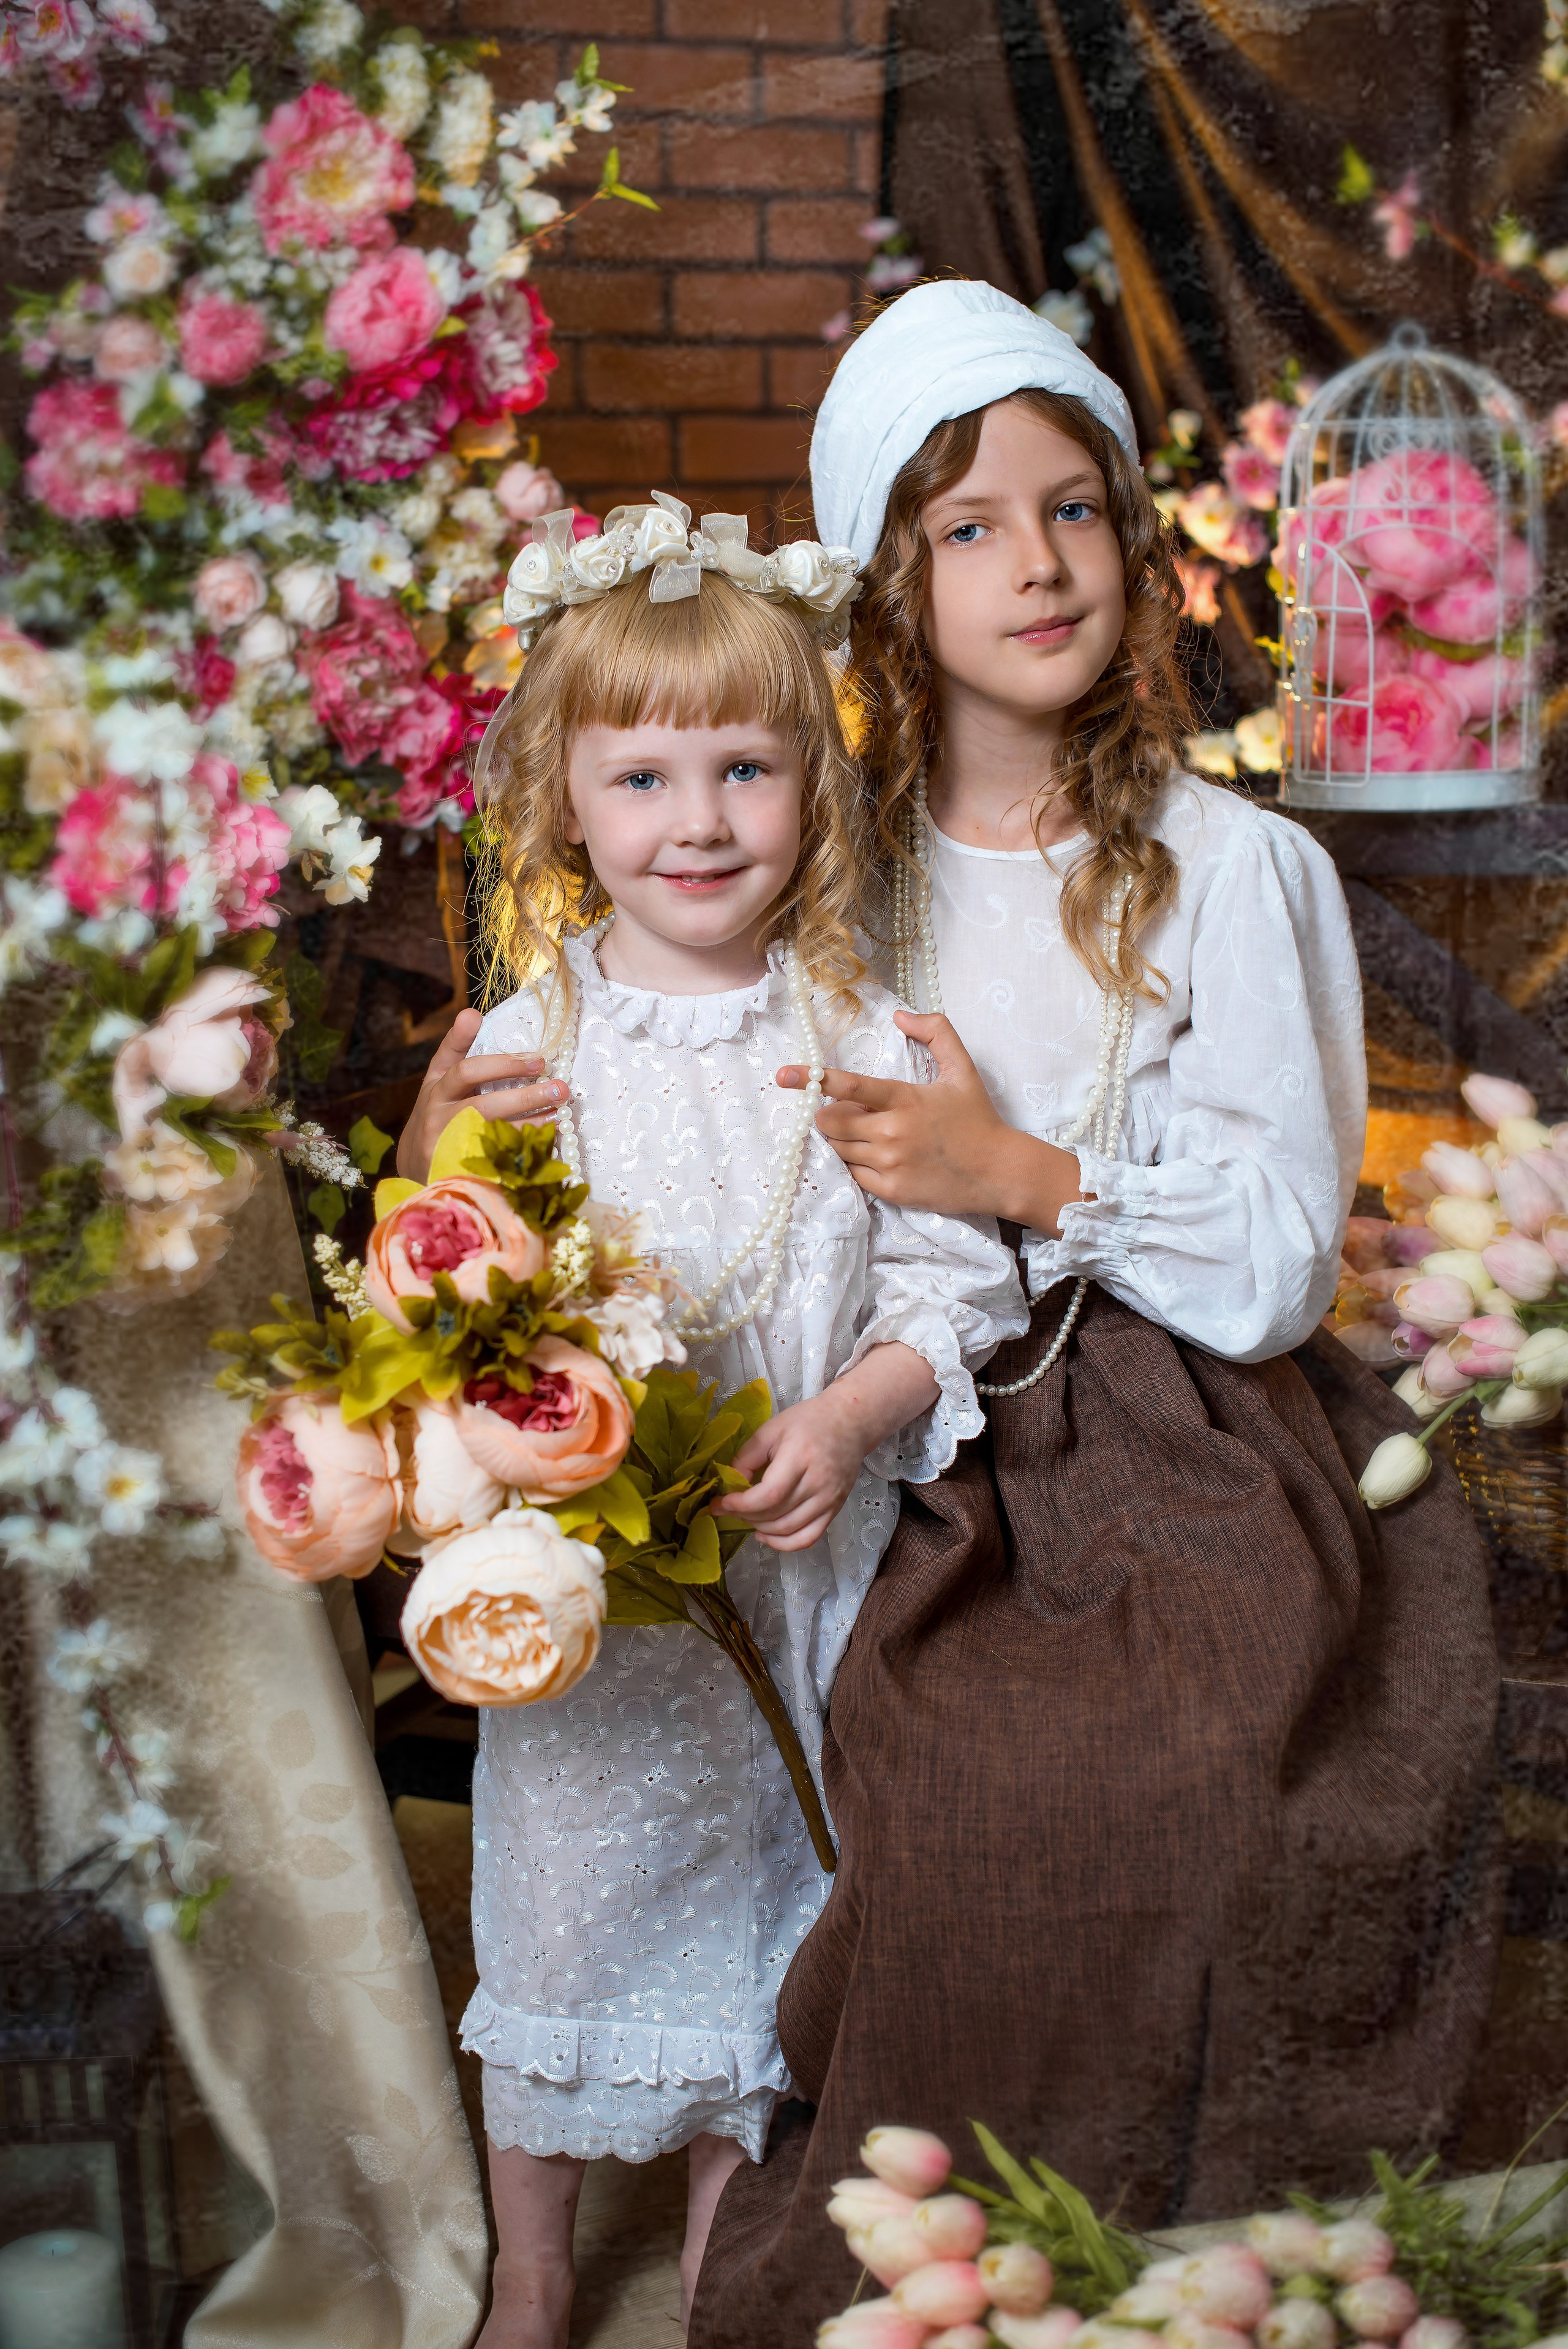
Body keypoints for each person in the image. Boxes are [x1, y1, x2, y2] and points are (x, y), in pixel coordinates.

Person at [690, 281, 1502, 2348]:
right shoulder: (829, 874)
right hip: (906, 1404)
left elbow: (1277, 1257)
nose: (1038, 563)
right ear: (892, 572)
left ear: (1134, 544)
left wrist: (1026, 1171)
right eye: (970, 525)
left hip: (1187, 1441)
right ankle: (947, 2203)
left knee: (1178, 1770)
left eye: (1076, 510)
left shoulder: (1228, 869)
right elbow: (666, 1057)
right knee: (949, 1792)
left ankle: (1147, 2232)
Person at [400, 503, 1029, 2349]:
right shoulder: (530, 1042)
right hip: (593, 1596)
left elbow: (955, 1287)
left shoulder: (863, 1042)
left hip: (785, 1581)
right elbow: (452, 1284)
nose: (699, 820)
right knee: (564, 1907)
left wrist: (848, 1415)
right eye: (646, 775)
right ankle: (530, 2269)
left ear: (813, 787)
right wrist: (441, 1175)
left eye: (747, 768)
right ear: (566, 801)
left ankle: (711, 2268)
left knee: (768, 1932)